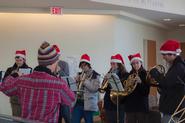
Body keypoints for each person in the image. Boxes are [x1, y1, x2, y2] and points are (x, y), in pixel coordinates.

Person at [0, 42, 75, 123]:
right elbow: (71, 99)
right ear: (54, 62)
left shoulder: (22, 80)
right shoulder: (58, 84)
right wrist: (57, 77)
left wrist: (14, 75)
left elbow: (4, 87)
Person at [159, 40, 185, 123]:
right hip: (171, 108)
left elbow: (167, 84)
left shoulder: (178, 67)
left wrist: (157, 76)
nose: (163, 57)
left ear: (172, 54)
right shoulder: (176, 66)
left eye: (164, 54)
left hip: (172, 109)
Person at [71, 54, 100, 123]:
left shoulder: (95, 75)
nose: (83, 67)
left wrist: (84, 81)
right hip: (78, 103)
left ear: (88, 65)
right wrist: (75, 82)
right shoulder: (79, 74)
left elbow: (94, 89)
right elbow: (74, 89)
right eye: (81, 66)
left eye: (84, 65)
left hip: (89, 105)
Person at [3, 50, 32, 117]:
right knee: (16, 117)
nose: (18, 62)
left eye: (20, 60)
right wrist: (13, 75)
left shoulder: (29, 69)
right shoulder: (10, 69)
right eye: (16, 60)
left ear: (24, 60)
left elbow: (31, 83)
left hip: (26, 97)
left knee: (26, 118)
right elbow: (4, 82)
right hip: (15, 97)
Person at [101, 54, 129, 123]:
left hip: (119, 103)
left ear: (119, 64)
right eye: (111, 64)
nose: (112, 66)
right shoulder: (109, 73)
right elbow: (103, 88)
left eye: (114, 64)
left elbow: (124, 89)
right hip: (108, 103)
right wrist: (105, 80)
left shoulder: (125, 74)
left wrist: (115, 79)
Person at [125, 53, 150, 123]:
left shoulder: (146, 74)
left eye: (137, 63)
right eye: (133, 63)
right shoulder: (129, 74)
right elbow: (126, 90)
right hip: (130, 107)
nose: (135, 65)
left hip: (141, 107)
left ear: (141, 63)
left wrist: (140, 82)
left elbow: (146, 92)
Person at [53, 44, 71, 123]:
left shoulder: (64, 64)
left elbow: (67, 79)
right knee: (57, 118)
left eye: (57, 55)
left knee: (67, 117)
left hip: (63, 95)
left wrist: (60, 71)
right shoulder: (49, 65)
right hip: (53, 96)